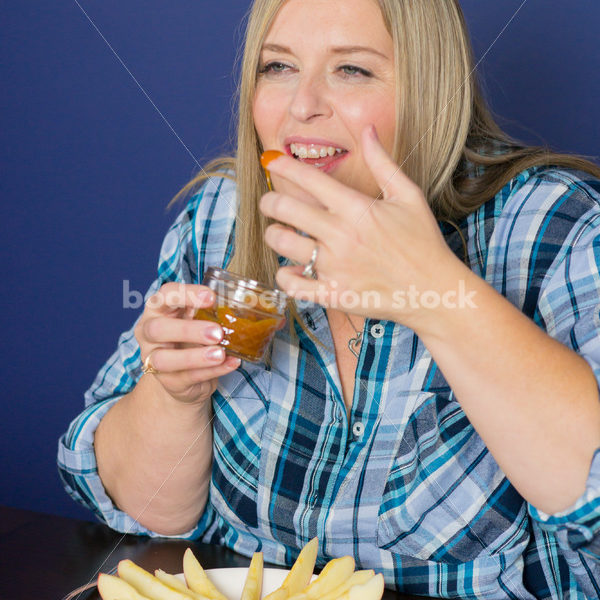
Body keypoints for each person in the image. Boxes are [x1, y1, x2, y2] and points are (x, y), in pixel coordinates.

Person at [58, 0, 600, 597]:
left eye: (352, 70)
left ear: (431, 86)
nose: (301, 105)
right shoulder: (222, 214)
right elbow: (141, 511)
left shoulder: (555, 226)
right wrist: (173, 395)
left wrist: (438, 294)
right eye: (278, 67)